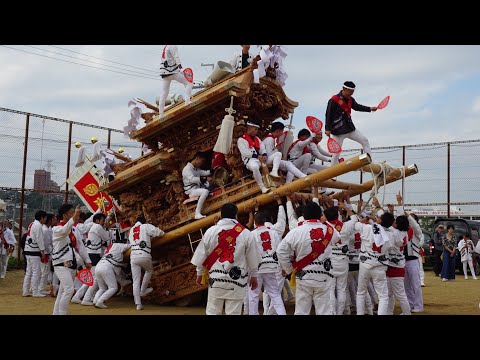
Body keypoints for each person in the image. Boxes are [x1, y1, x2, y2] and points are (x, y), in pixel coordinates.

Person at [191, 203, 260, 315]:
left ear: (221, 215)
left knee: (213, 312)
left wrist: (199, 274)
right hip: (237, 280)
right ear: (236, 215)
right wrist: (254, 276)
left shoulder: (211, 231)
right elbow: (253, 258)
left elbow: (201, 256)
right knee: (234, 313)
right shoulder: (246, 234)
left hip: (216, 280)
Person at [277, 202, 341, 315]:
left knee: (302, 311)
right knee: (324, 311)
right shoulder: (329, 230)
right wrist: (323, 222)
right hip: (324, 276)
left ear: (304, 215)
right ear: (320, 215)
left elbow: (280, 251)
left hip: (303, 275)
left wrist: (289, 269)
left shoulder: (296, 231)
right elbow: (337, 237)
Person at [51, 204, 92, 315]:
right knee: (69, 290)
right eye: (71, 213)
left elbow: (80, 246)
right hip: (60, 263)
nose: (75, 215)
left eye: (74, 212)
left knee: (62, 292)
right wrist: (74, 219)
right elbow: (65, 231)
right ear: (64, 215)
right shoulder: (57, 229)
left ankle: (56, 313)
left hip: (72, 263)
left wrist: (87, 260)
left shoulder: (74, 228)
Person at [325, 81, 378, 165]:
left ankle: (371, 162)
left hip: (349, 128)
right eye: (350, 92)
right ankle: (333, 176)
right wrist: (327, 129)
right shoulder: (334, 100)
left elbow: (357, 107)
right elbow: (328, 114)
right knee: (336, 153)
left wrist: (370, 109)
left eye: (352, 92)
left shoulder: (350, 99)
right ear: (344, 89)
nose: (351, 94)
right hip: (338, 131)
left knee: (364, 140)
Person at [248, 211, 286, 315]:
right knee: (275, 294)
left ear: (255, 222)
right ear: (265, 222)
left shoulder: (252, 234)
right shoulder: (273, 233)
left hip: (257, 268)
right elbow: (279, 251)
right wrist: (282, 267)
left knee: (253, 296)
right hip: (271, 266)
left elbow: (249, 254)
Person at [129, 216, 165, 310]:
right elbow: (160, 233)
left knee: (135, 281)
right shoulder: (146, 226)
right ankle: (143, 290)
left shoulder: (131, 230)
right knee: (148, 271)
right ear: (144, 221)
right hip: (144, 254)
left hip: (133, 256)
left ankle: (138, 304)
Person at [92, 236, 131, 309]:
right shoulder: (121, 245)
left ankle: (95, 300)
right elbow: (132, 246)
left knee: (102, 288)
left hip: (98, 266)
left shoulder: (111, 248)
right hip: (107, 267)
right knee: (113, 287)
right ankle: (100, 301)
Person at [158, 45, 193, 118]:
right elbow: (176, 57)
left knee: (164, 93)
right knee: (189, 83)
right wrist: (181, 67)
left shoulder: (166, 47)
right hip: (173, 72)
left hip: (165, 73)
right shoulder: (172, 46)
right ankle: (187, 101)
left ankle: (161, 114)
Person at [237, 120, 270, 194]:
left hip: (260, 159)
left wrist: (264, 155)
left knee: (277, 155)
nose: (257, 131)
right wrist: (257, 156)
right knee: (255, 167)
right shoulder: (241, 140)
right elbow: (244, 153)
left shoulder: (257, 139)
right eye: (255, 129)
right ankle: (262, 187)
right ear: (250, 128)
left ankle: (274, 176)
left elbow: (262, 148)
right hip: (250, 160)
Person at [22, 210, 47, 297]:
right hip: (34, 251)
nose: (46, 219)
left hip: (28, 249)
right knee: (36, 272)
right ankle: (35, 291)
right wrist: (42, 250)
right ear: (41, 217)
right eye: (45, 218)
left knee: (29, 272)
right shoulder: (38, 226)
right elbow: (39, 239)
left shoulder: (32, 224)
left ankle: (25, 290)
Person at [182, 152, 213, 219]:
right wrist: (204, 179)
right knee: (205, 191)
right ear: (197, 158)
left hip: (197, 189)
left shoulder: (195, 168)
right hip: (191, 191)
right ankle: (197, 213)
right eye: (202, 161)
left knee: (209, 188)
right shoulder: (187, 169)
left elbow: (204, 172)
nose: (202, 163)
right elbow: (192, 179)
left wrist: (212, 171)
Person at [404, 213, 424, 312]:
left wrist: (408, 215)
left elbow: (415, 225)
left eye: (411, 218)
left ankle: (418, 306)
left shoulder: (416, 230)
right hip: (403, 261)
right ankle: (410, 304)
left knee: (416, 284)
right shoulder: (402, 230)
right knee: (406, 286)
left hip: (413, 260)